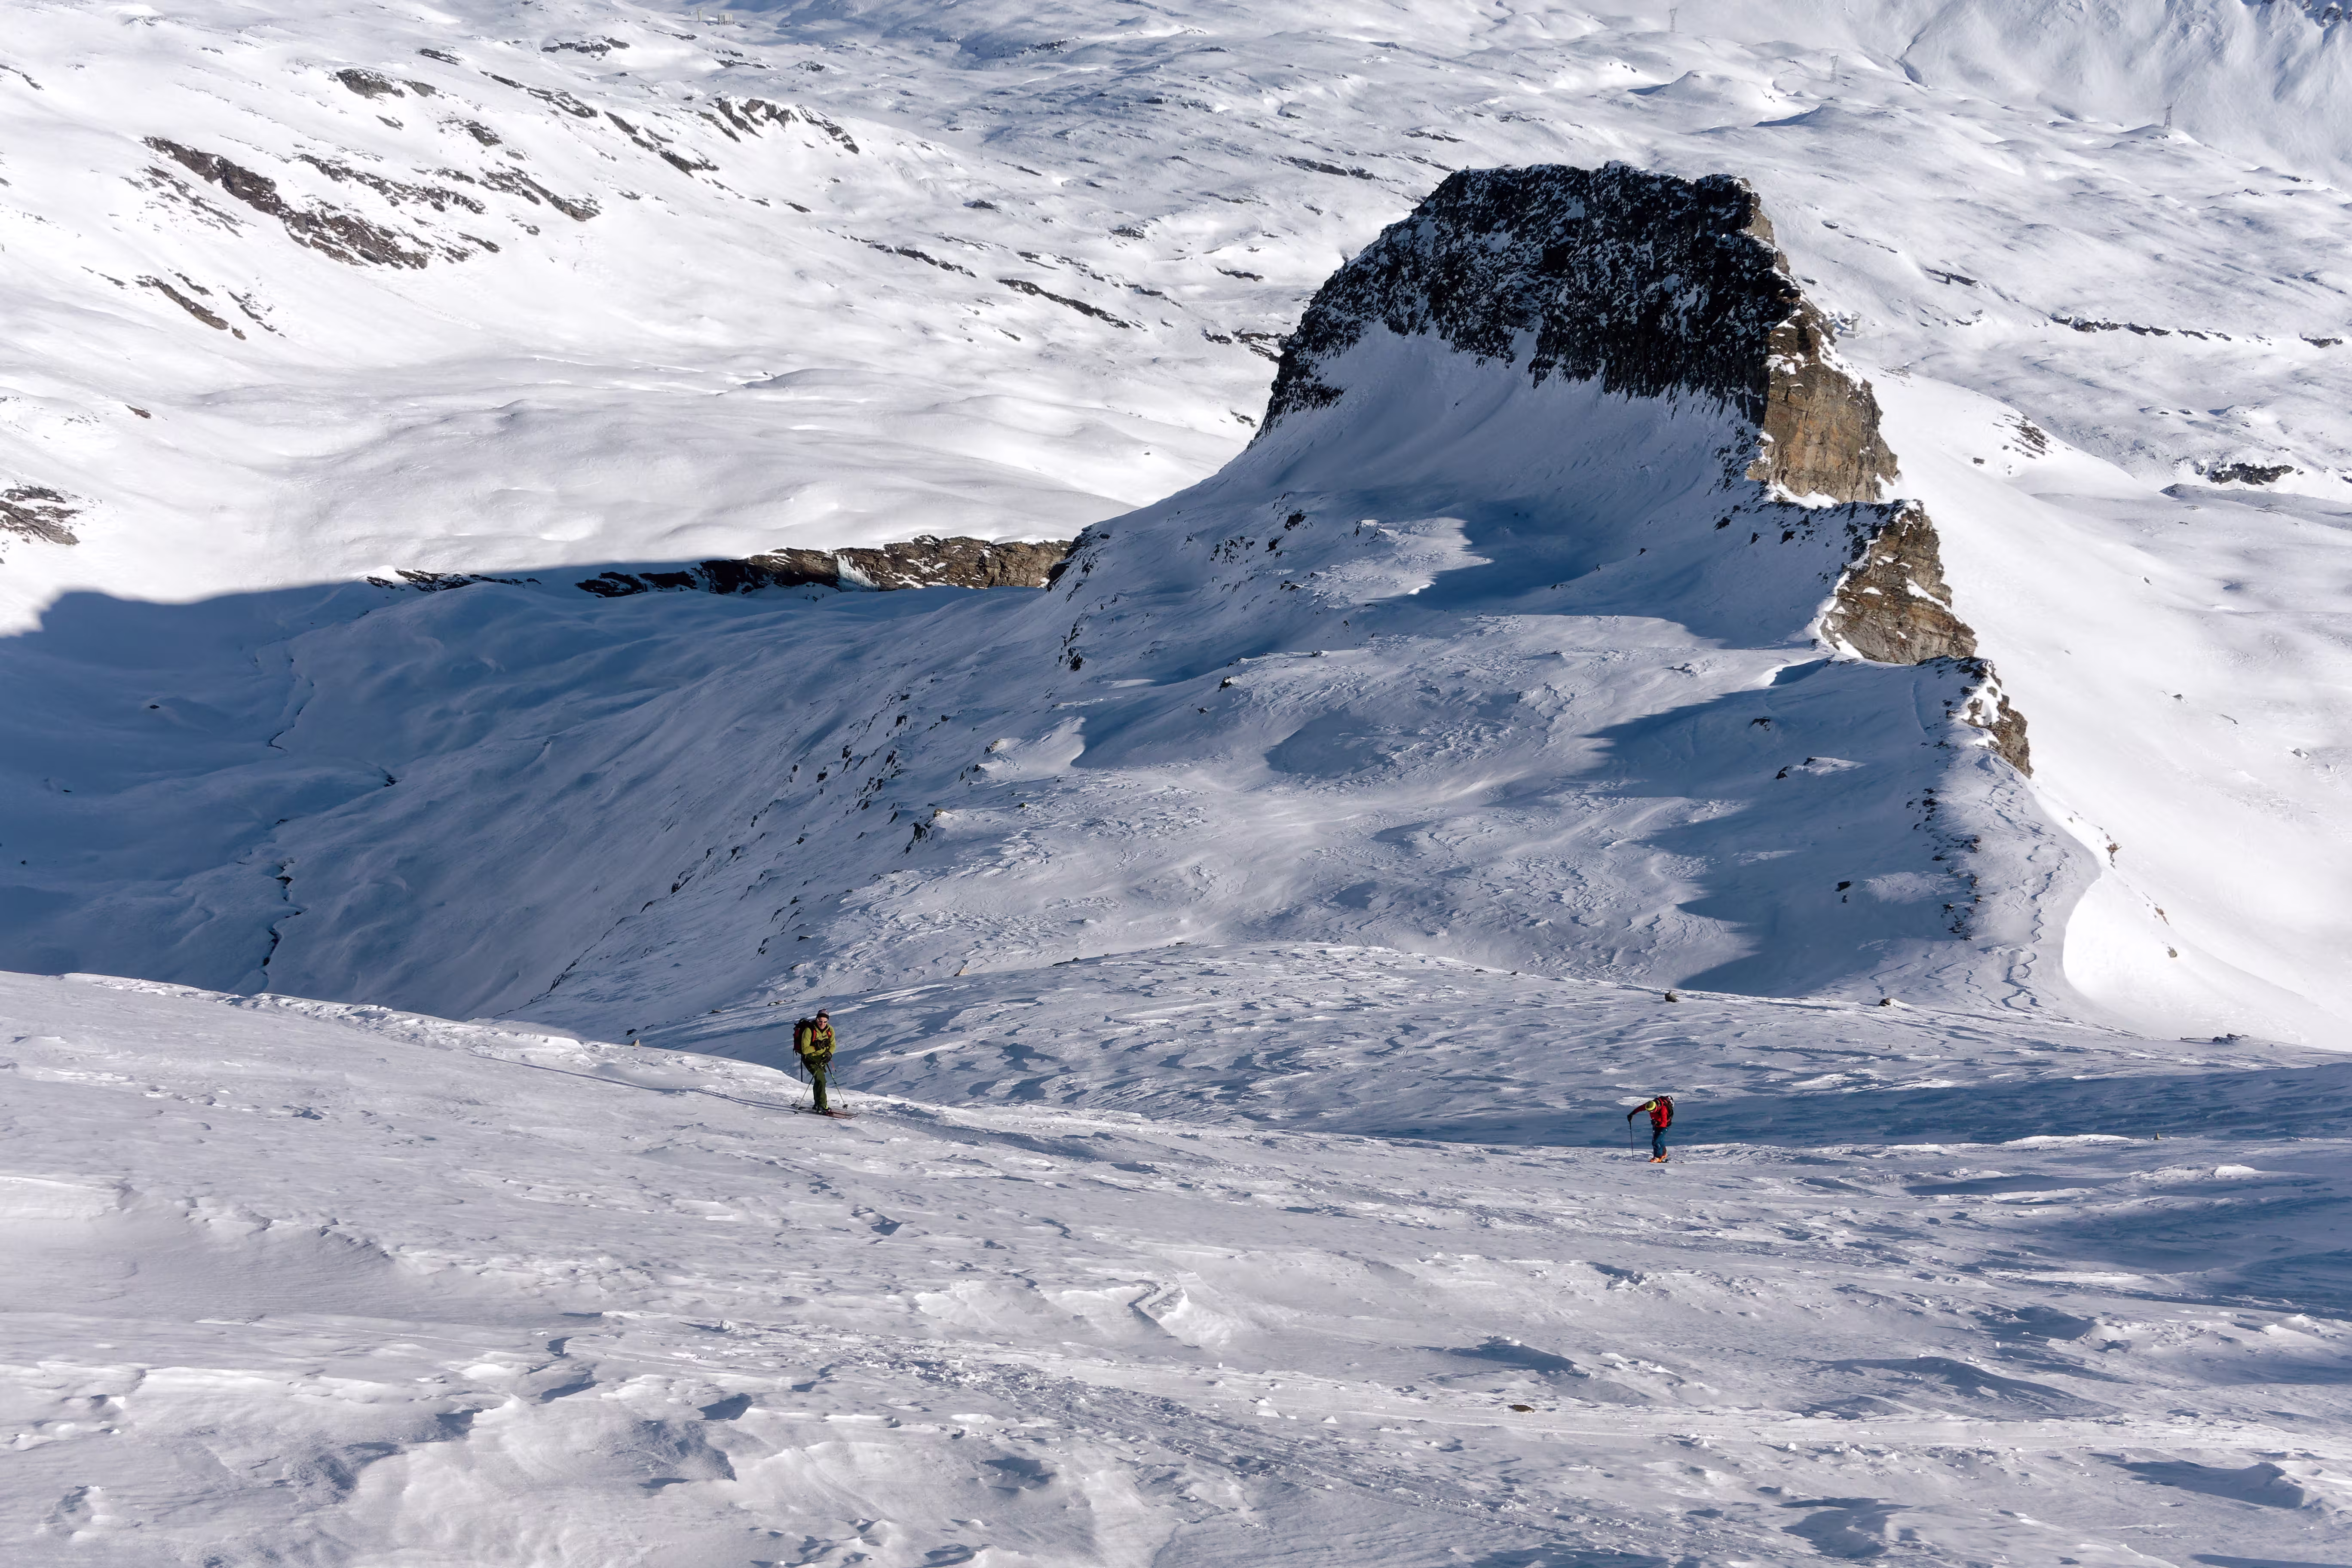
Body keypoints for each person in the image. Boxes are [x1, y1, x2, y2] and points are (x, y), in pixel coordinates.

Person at [794, 1009, 837, 1114]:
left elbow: (833, 1045)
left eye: (825, 1021)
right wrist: (818, 1046)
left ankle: (817, 1104)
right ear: (816, 1019)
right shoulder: (809, 1030)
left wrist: (829, 1054)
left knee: (819, 1081)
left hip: (822, 1059)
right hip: (810, 1059)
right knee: (821, 1080)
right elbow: (805, 1050)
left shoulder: (830, 1030)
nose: (822, 1024)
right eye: (820, 1021)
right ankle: (822, 1105)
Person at [1628, 1095, 1674, 1163]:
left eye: (1652, 1111)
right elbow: (1641, 1108)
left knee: (1656, 1141)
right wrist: (1632, 1114)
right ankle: (1664, 1154)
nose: (1651, 1112)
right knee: (1660, 1139)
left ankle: (1658, 1157)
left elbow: (1664, 1123)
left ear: (1655, 1108)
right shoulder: (1650, 1105)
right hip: (1657, 1124)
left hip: (1665, 1126)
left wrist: (1657, 1123)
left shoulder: (1663, 1109)